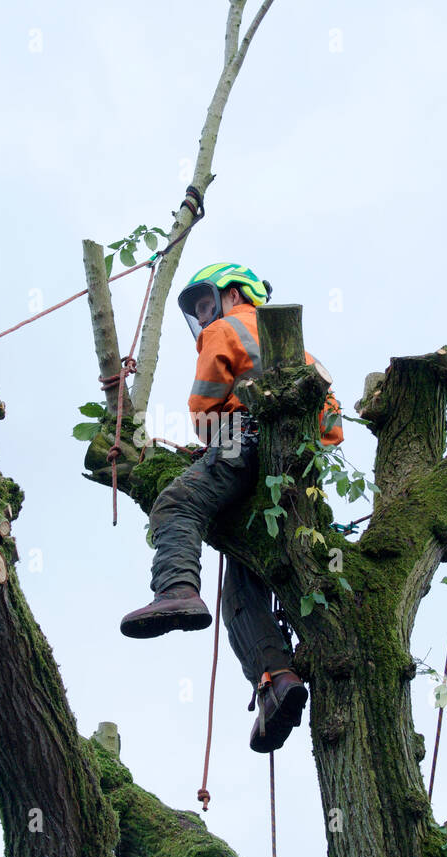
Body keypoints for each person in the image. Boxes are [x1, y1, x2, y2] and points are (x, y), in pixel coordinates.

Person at [119, 263, 344, 753]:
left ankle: (176, 589)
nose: (203, 317)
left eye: (205, 304)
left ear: (234, 294)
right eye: (197, 311)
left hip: (240, 441)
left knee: (178, 503)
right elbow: (332, 428)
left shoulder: (227, 329)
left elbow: (204, 407)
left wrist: (215, 434)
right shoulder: (303, 353)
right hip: (294, 476)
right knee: (245, 577)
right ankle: (277, 681)